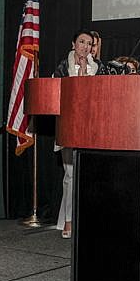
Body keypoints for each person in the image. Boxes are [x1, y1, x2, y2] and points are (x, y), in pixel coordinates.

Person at [53, 30, 107, 238]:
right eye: (82, 42)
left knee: (90, 177)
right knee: (70, 175)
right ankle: (68, 221)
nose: (85, 46)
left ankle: (88, 222)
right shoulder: (62, 66)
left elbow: (101, 96)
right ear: (73, 43)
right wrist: (78, 75)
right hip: (68, 126)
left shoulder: (98, 67)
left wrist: (87, 72)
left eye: (89, 43)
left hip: (92, 128)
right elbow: (57, 94)